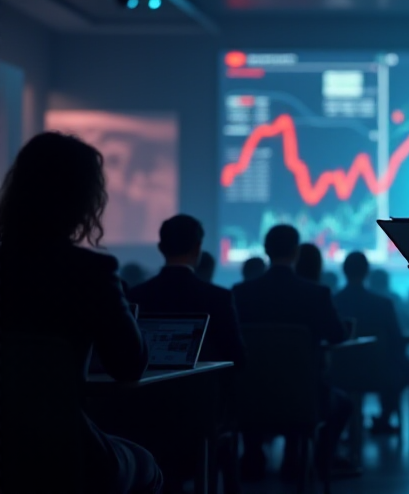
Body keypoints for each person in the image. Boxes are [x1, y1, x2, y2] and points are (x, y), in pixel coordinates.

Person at [0, 132, 163, 494]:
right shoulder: (91, 272)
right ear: (84, 201)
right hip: (62, 447)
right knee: (146, 465)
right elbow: (128, 365)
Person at [232, 224, 358, 481]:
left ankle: (253, 455)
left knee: (255, 382)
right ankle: (310, 462)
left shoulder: (240, 293)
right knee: (343, 403)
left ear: (265, 250)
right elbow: (337, 336)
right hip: (303, 399)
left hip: (249, 397)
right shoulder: (316, 294)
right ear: (296, 253)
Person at [128, 215, 246, 366]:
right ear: (197, 248)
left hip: (148, 389)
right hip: (202, 387)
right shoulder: (219, 297)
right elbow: (237, 357)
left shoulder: (136, 295)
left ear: (161, 248)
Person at [333, 252, 409, 435]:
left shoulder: (334, 302)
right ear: (366, 272)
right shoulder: (383, 304)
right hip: (379, 372)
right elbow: (397, 341)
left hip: (340, 372)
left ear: (344, 271)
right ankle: (384, 418)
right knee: (406, 367)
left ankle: (349, 424)